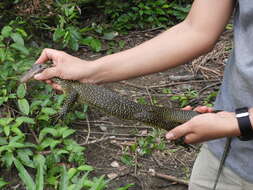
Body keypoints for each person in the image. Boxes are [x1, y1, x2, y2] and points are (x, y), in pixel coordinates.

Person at [34, 0, 253, 189]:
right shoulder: (74, 87)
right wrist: (90, 70)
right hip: (228, 146)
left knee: (154, 116)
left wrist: (240, 122)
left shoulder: (72, 91)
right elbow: (197, 29)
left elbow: (70, 99)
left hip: (230, 128)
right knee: (160, 117)